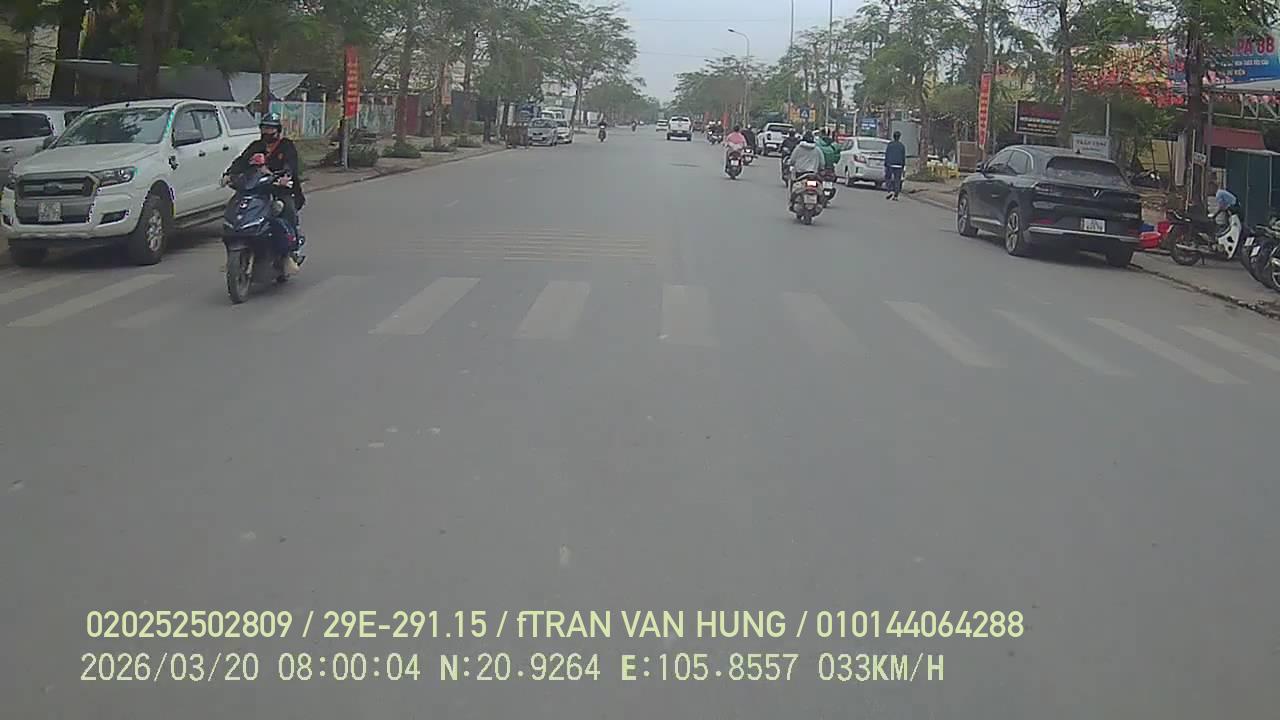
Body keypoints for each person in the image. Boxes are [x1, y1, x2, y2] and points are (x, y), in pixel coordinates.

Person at [224, 112, 305, 271]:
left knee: (286, 210)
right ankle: (234, 255)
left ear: (277, 130)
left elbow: (291, 164)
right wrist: (229, 174)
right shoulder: (256, 146)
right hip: (256, 189)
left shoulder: (286, 145)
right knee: (235, 210)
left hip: (279, 190)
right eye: (265, 128)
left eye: (271, 129)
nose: (267, 132)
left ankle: (289, 254)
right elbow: (241, 161)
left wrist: (285, 177)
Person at [884, 130, 907, 200]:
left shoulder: (890, 145)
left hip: (890, 164)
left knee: (888, 178)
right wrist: (903, 165)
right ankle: (896, 195)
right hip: (899, 165)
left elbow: (887, 154)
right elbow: (903, 156)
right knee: (897, 180)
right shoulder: (902, 146)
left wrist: (886, 163)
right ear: (899, 137)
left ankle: (890, 190)